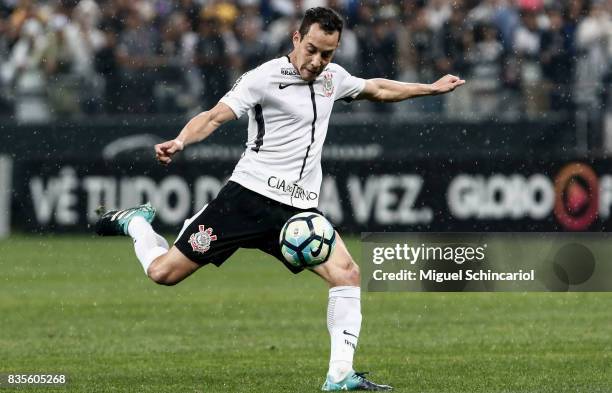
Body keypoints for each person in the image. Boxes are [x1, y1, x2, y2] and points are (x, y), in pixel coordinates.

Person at [95, 7, 464, 391]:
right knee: (163, 274)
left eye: (328, 54)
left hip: (298, 213)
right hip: (246, 199)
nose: (318, 61)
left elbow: (378, 88)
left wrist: (430, 88)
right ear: (296, 39)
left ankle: (340, 376)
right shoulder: (264, 78)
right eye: (312, 49)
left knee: (347, 274)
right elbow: (215, 116)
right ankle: (137, 222)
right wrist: (181, 140)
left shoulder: (333, 79)